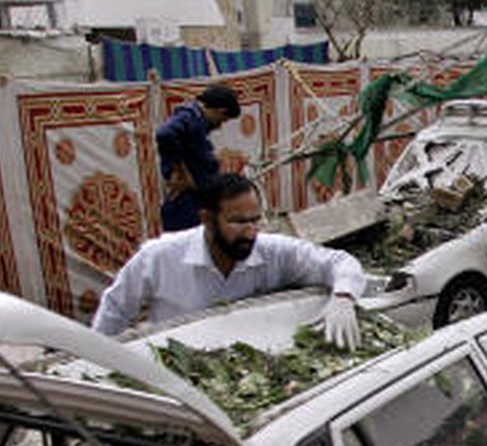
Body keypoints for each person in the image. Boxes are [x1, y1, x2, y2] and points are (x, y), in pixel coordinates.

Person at [94, 173, 366, 349]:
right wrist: (97, 360)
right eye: (237, 221)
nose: (250, 230)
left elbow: (340, 263)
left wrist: (343, 298)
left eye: (255, 220)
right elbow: (115, 309)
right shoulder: (159, 257)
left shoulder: (270, 251)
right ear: (208, 220)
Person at [158, 84, 242, 231]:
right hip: (185, 205)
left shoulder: (197, 123)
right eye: (222, 120)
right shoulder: (189, 117)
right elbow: (165, 135)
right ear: (219, 111)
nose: (219, 126)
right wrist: (182, 172)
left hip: (197, 202)